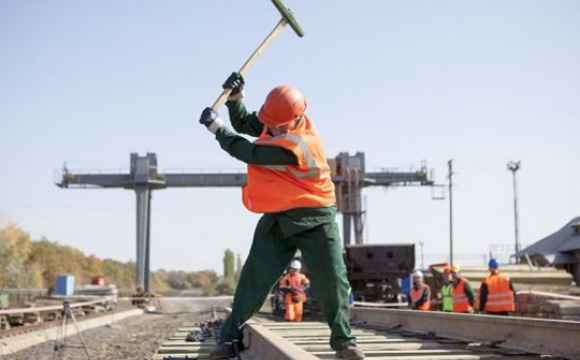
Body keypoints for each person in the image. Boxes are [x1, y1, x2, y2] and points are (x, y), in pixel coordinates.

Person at [198, 72, 364, 360]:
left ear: (293, 120)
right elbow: (246, 123)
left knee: (332, 280)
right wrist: (236, 98)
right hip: (280, 214)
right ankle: (228, 339)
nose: (270, 129)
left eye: (276, 126)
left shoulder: (299, 144)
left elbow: (251, 153)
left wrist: (217, 130)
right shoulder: (276, 121)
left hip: (315, 215)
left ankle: (344, 343)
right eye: (269, 123)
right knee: (255, 277)